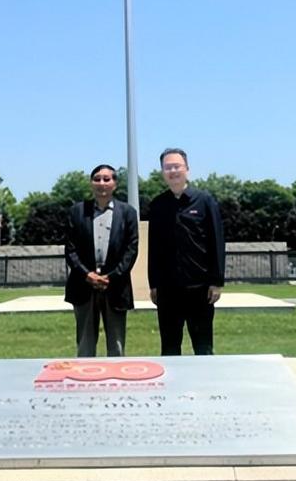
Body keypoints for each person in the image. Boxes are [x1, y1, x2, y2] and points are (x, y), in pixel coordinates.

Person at [147, 148, 225, 356]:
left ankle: (206, 379)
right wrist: (153, 284)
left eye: (177, 166)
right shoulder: (158, 205)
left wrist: (216, 282)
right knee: (169, 347)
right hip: (167, 289)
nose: (173, 171)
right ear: (162, 172)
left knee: (203, 347)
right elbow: (153, 248)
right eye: (167, 167)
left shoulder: (205, 201)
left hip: (200, 288)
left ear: (187, 169)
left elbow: (217, 242)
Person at [64, 164, 139, 357]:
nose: (102, 183)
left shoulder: (128, 213)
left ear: (115, 184)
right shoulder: (77, 212)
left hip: (116, 286)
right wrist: (87, 274)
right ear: (91, 183)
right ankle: (85, 375)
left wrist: (111, 277)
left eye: (107, 179)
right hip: (83, 285)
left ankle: (116, 376)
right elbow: (70, 249)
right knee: (85, 345)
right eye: (97, 179)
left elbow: (131, 250)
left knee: (117, 345)